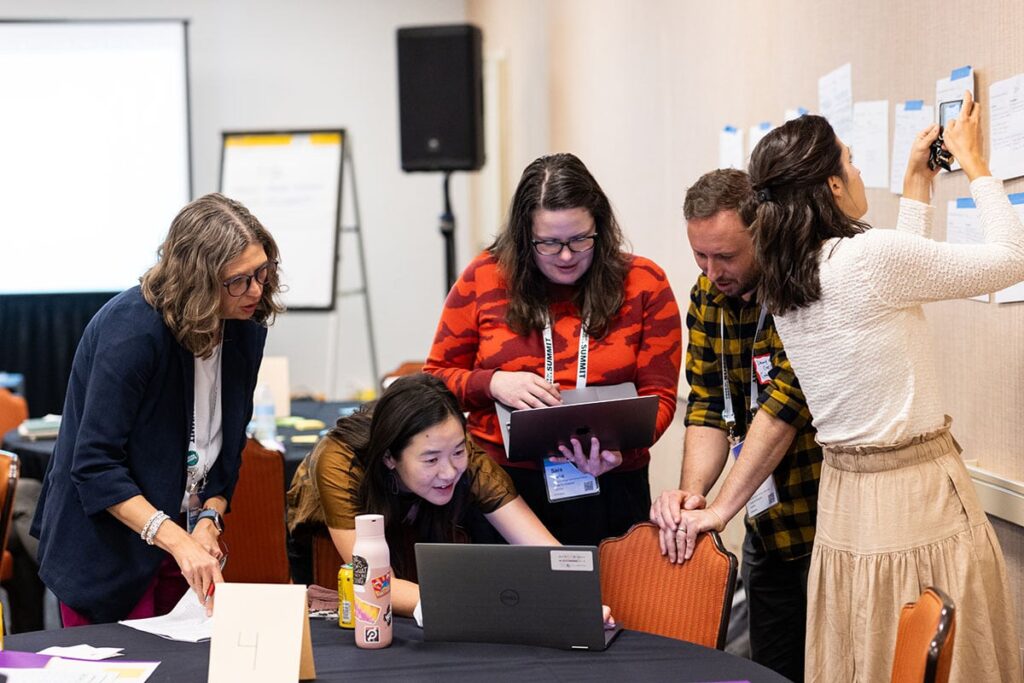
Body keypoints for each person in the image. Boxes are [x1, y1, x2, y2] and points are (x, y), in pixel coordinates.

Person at [745, 94, 1022, 681]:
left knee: (875, 650)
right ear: (831, 186)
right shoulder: (866, 259)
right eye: (850, 161)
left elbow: (894, 290)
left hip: (848, 503)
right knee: (933, 653)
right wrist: (975, 161)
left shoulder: (791, 276)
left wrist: (916, 184)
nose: (858, 170)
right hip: (915, 498)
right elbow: (1012, 258)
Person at [31, 193, 283, 626]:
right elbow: (94, 465)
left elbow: (227, 451)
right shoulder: (132, 331)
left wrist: (209, 519)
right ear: (198, 279)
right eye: (239, 280)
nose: (256, 290)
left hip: (179, 543)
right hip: (108, 553)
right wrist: (178, 541)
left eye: (262, 272)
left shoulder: (243, 329)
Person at [424, 153, 682, 546]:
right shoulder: (484, 278)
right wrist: (493, 383)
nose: (565, 255)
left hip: (612, 482)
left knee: (611, 588)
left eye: (580, 240)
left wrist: (620, 449)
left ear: (600, 227)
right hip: (501, 487)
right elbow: (435, 379)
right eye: (548, 243)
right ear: (524, 236)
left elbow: (659, 396)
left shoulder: (644, 283)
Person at [649, 169, 820, 682]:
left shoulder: (802, 290)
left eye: (725, 256)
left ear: (761, 232)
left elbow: (785, 406)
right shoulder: (707, 297)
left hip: (825, 521)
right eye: (700, 255)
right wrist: (693, 497)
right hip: (767, 528)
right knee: (771, 670)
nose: (711, 270)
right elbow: (706, 404)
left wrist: (721, 509)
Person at [295, 373, 563, 618]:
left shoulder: (463, 456)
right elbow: (375, 582)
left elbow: (548, 553)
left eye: (458, 451)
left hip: (422, 569)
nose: (449, 472)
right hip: (333, 567)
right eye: (431, 460)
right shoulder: (341, 461)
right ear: (390, 458)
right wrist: (468, 606)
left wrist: (575, 593)